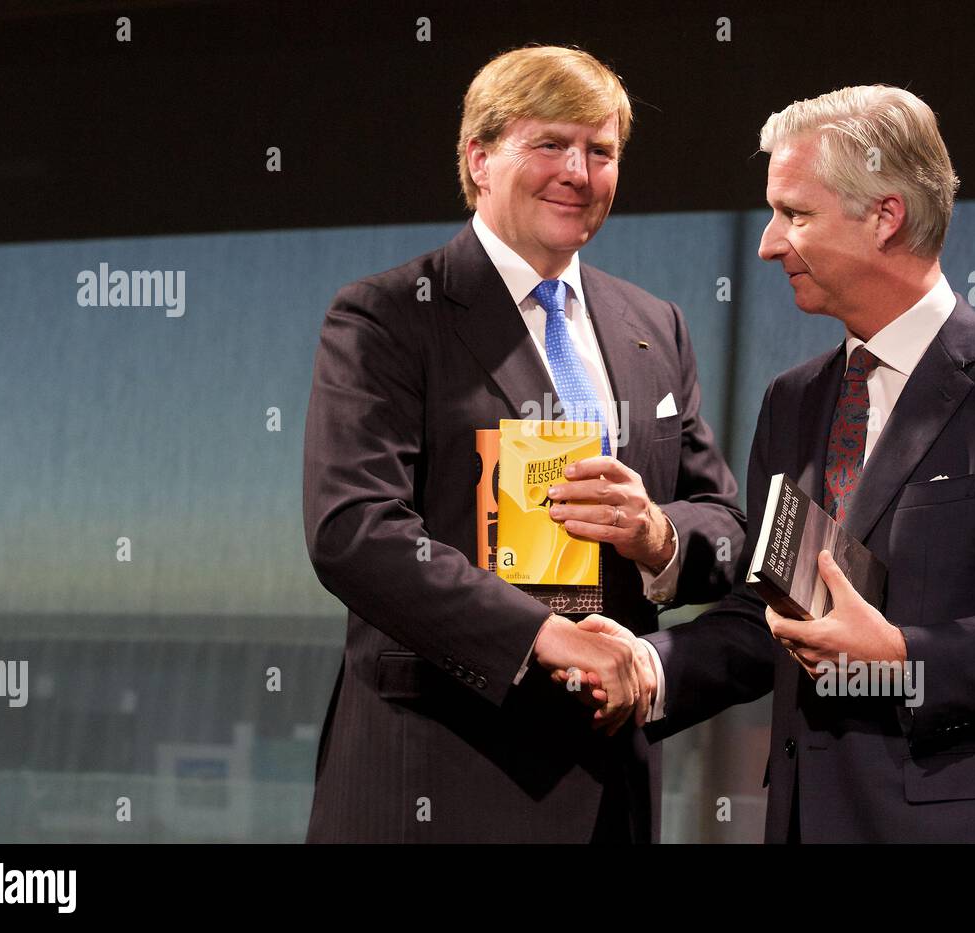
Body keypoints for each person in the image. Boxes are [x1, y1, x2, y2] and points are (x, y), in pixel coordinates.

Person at [586, 85, 975, 842]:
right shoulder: (794, 400)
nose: (769, 243)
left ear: (885, 216)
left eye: (796, 214)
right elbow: (777, 611)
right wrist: (651, 665)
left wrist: (905, 657)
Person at [301, 46, 743, 843]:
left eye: (600, 151)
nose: (578, 171)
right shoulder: (390, 317)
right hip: (437, 781)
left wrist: (658, 536)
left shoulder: (656, 325)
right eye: (550, 144)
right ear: (480, 158)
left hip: (610, 788)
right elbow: (354, 531)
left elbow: (726, 524)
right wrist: (542, 636)